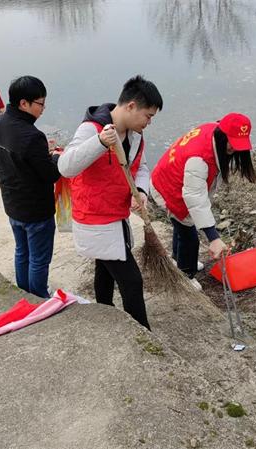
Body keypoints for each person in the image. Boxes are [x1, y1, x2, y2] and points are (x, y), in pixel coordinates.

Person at [58, 75, 163, 330]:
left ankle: (105, 314)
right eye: (147, 116)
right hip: (95, 218)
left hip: (116, 215)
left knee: (104, 270)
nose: (148, 123)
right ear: (131, 107)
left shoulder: (136, 135)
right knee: (132, 281)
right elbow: (66, 166)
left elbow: (142, 168)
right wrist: (100, 142)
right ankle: (143, 335)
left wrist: (141, 192)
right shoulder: (91, 129)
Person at [150, 113, 256, 291]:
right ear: (223, 135)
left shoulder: (214, 130)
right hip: (169, 186)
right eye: (232, 142)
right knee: (189, 235)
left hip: (176, 177)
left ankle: (178, 261)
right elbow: (195, 197)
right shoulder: (199, 158)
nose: (234, 148)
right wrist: (214, 238)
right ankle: (186, 276)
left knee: (181, 226)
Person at [0, 76, 61, 298]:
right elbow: (49, 175)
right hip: (36, 209)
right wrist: (56, 158)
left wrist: (42, 155)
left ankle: (24, 293)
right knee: (39, 258)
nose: (43, 108)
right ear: (24, 103)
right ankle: (39, 297)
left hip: (12, 204)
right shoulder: (32, 136)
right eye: (40, 103)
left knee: (22, 252)